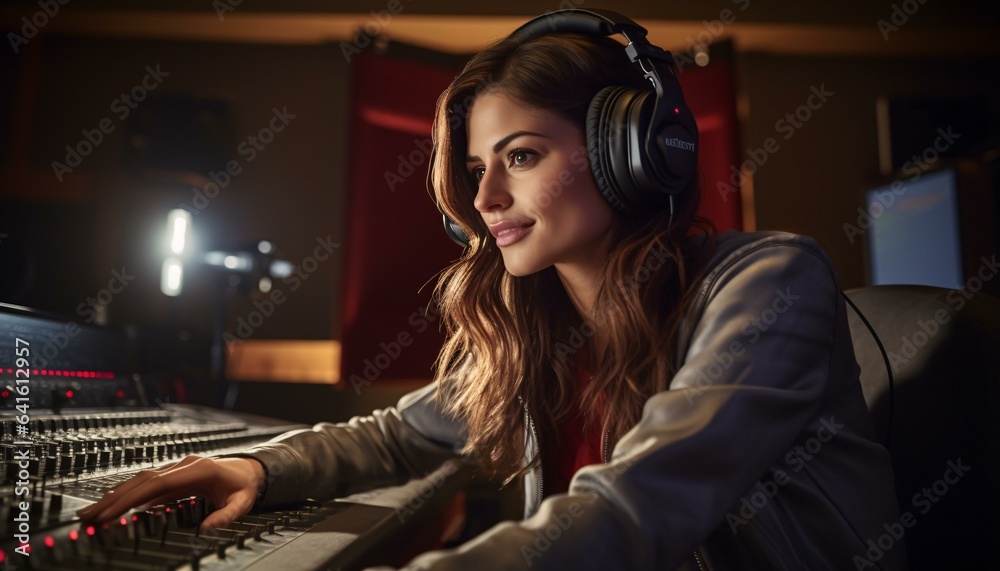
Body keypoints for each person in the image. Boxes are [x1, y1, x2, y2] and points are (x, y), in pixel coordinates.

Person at [80, 9, 905, 570]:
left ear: (632, 150)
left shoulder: (772, 281)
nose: (484, 202)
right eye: (478, 169)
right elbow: (402, 437)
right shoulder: (543, 326)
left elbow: (645, 503)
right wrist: (256, 468)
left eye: (520, 156)